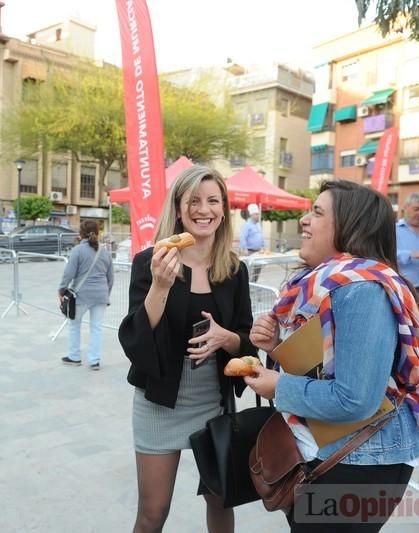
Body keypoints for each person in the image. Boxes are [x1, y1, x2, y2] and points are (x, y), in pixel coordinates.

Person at [246, 180, 419, 532]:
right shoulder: (332, 282)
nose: (304, 221)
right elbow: (327, 369)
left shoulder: (360, 289)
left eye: (317, 213)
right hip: (341, 453)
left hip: (362, 462)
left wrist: (278, 386)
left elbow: (354, 399)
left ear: (350, 227)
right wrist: (276, 346)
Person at [118, 165, 256, 533]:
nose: (203, 209)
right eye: (193, 200)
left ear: (224, 210)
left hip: (213, 397)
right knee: (153, 512)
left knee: (221, 500)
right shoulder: (151, 262)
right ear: (178, 209)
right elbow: (133, 338)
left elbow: (247, 338)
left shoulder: (234, 269)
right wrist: (160, 287)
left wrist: (225, 339)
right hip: (160, 399)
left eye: (213, 200)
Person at [59, 219, 114, 371]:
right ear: (97, 232)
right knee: (96, 328)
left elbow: (68, 273)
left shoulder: (78, 250)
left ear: (81, 233)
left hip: (81, 295)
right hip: (101, 295)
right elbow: (111, 277)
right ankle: (94, 360)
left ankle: (74, 357)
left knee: (74, 325)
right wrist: (106, 294)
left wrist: (62, 290)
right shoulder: (105, 251)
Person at [239, 203, 265, 282]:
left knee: (257, 270)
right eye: (256, 214)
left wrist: (264, 246)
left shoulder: (258, 225)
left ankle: (254, 283)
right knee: (248, 270)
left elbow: (261, 237)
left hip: (258, 251)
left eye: (258, 214)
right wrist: (245, 249)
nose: (258, 216)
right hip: (250, 251)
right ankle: (248, 284)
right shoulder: (247, 225)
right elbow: (242, 237)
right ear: (251, 215)